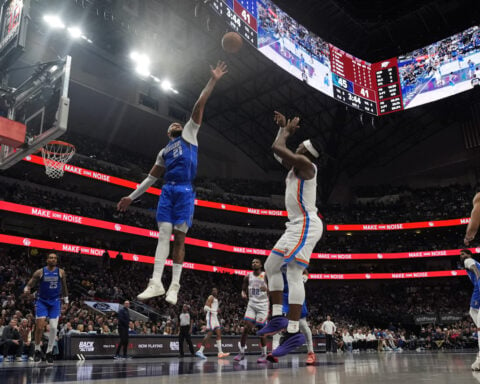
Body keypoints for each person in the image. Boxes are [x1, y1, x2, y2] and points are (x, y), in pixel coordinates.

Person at [117, 61, 228, 305]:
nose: (177, 125)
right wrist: (131, 197)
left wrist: (213, 80)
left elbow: (199, 105)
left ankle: (174, 285)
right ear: (168, 134)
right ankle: (156, 282)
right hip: (167, 191)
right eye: (173, 126)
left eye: (178, 123)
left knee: (179, 238)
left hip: (186, 190)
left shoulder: (189, 134)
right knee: (162, 235)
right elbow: (150, 178)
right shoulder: (164, 151)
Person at [257, 111, 324, 361]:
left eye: (299, 146)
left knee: (294, 272)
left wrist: (286, 131)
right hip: (294, 225)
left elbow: (280, 147)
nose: (295, 146)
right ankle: (277, 318)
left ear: (306, 153)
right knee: (271, 265)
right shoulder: (296, 166)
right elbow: (277, 151)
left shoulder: (308, 166)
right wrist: (282, 129)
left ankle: (294, 332)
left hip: (307, 223)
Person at [24, 252, 68, 364]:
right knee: (39, 327)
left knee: (53, 328)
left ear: (56, 261)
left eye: (54, 258)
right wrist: (27, 287)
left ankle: (49, 352)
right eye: (50, 258)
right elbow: (31, 282)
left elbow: (64, 287)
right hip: (42, 301)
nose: (52, 259)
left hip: (55, 302)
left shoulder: (61, 272)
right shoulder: (40, 271)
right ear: (47, 260)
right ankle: (37, 350)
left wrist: (66, 300)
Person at [271, 268, 316, 364]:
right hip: (285, 302)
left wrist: (303, 272)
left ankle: (311, 353)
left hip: (297, 300)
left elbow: (305, 272)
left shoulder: (298, 272)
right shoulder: (281, 272)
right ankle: (274, 353)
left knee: (304, 327)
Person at [233, 259, 269, 363]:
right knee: (246, 328)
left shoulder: (266, 275)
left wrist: (267, 289)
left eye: (257, 262)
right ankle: (242, 352)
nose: (254, 264)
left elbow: (273, 289)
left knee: (261, 331)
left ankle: (264, 354)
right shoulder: (247, 276)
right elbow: (243, 289)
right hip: (252, 304)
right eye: (252, 262)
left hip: (263, 306)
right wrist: (243, 294)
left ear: (261, 265)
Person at [195, 288, 230, 359]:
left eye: (216, 290)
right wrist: (214, 310)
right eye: (213, 290)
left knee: (219, 333)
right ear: (212, 291)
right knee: (209, 334)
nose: (215, 291)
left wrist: (217, 311)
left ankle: (220, 352)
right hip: (211, 317)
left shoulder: (216, 299)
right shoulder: (210, 297)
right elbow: (205, 308)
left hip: (215, 317)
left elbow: (214, 309)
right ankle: (200, 351)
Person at [460, 249, 480, 370]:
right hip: (477, 290)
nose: (461, 256)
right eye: (460, 255)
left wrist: (478, 279)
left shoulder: (468, 260)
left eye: (463, 254)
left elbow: (474, 269)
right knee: (472, 310)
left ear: (469, 254)